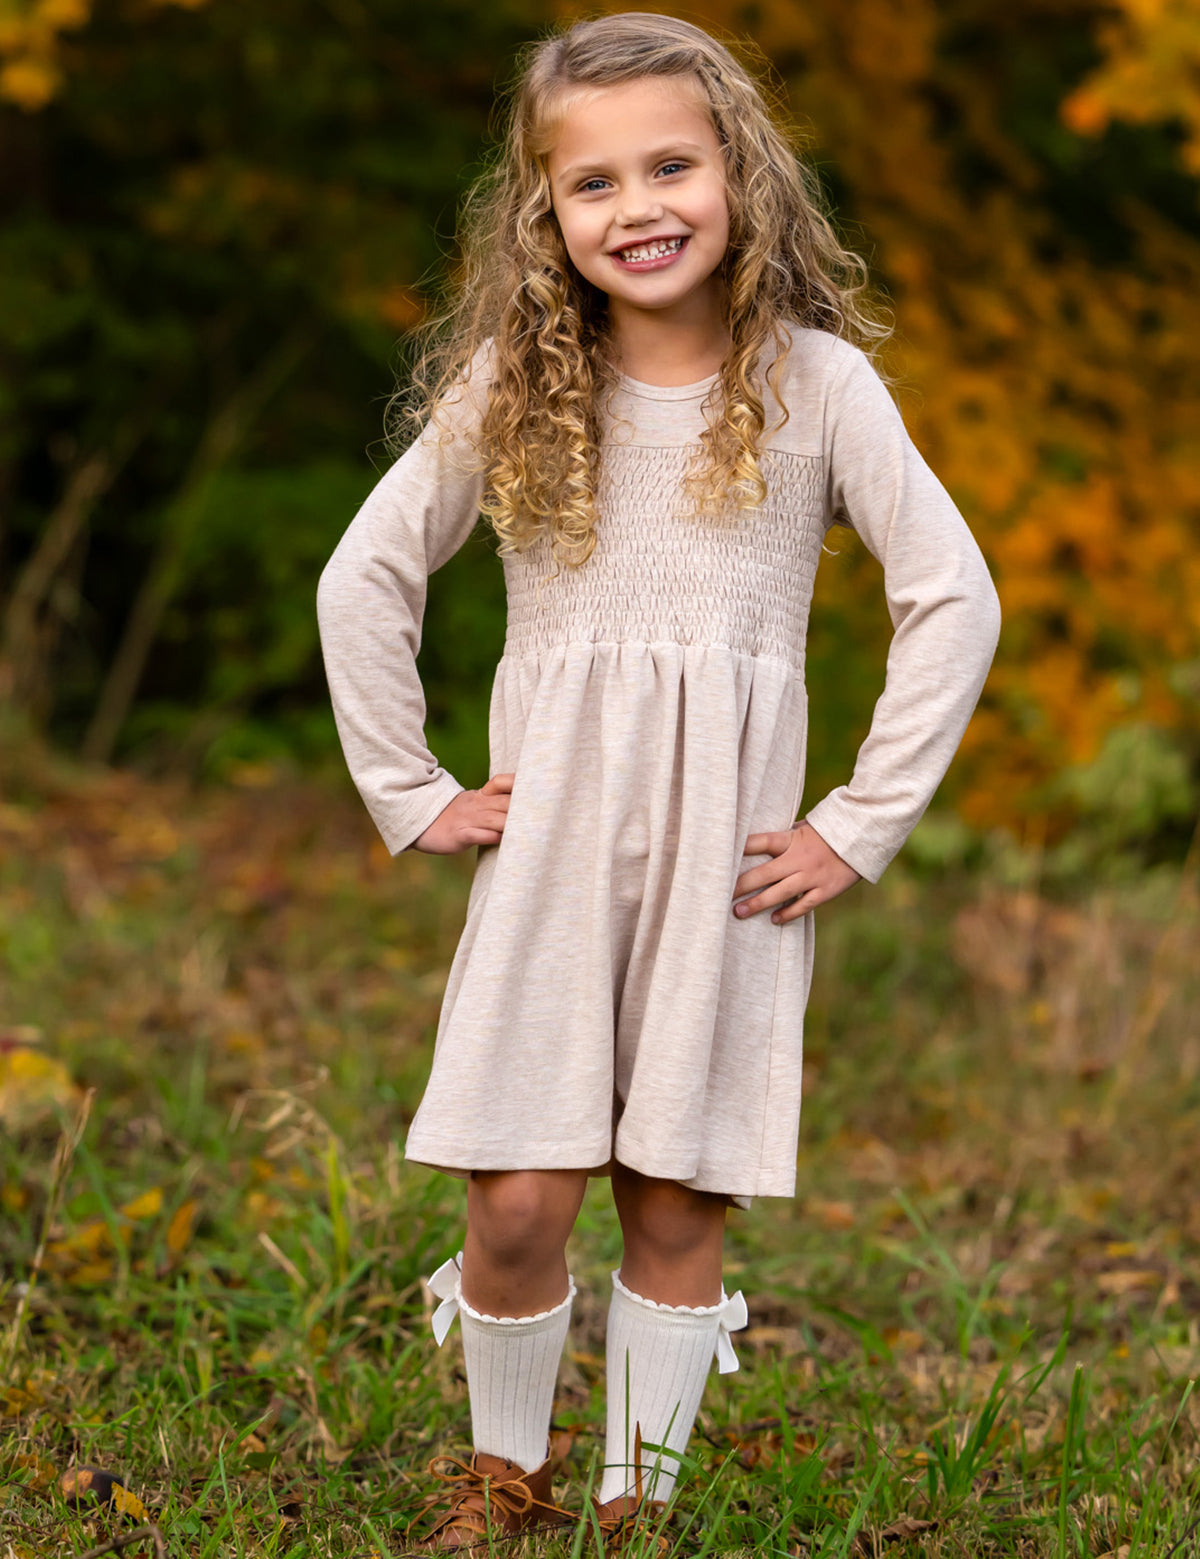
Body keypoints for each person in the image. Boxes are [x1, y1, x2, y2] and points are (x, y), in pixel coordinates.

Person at [317, 11, 1001, 1551]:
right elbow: (364, 579)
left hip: (729, 861)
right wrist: (412, 788)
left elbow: (954, 597)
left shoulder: (817, 385)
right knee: (516, 1197)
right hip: (555, 848)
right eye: (595, 183)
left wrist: (859, 822)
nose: (640, 207)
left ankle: (638, 1505)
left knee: (677, 1200)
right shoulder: (518, 383)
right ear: (545, 214)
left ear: (741, 175)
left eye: (673, 164)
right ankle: (504, 1477)